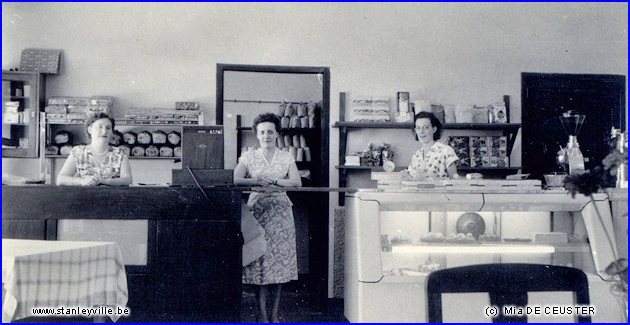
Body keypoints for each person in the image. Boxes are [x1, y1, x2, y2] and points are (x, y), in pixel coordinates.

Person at [233, 112, 302, 323]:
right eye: (262, 132)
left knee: (279, 265)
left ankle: (275, 315)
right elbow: (235, 179)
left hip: (281, 213)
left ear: (277, 134)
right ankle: (262, 315)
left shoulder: (286, 156)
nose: (266, 136)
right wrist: (256, 180)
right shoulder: (249, 156)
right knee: (260, 263)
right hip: (258, 212)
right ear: (256, 134)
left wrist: (278, 183)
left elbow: (297, 182)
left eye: (270, 131)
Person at [57, 112, 132, 186]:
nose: (104, 131)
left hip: (112, 197)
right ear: (90, 129)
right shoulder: (78, 152)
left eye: (108, 128)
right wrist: (81, 181)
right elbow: (61, 179)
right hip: (84, 197)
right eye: (100, 127)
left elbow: (127, 179)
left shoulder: (120, 153)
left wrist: (106, 181)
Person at [404, 111, 459, 180]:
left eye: (426, 127)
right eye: (418, 128)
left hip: (440, 191)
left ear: (434, 129)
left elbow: (455, 180)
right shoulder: (416, 156)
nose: (421, 131)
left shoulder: (446, 151)